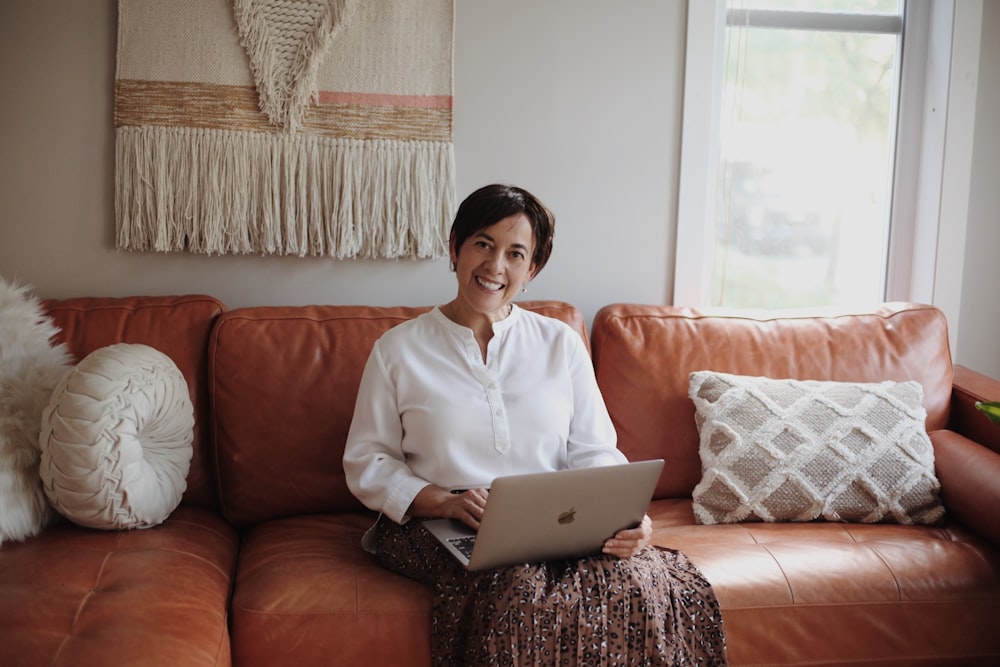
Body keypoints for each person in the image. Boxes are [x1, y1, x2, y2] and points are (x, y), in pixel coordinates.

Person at [343, 184, 727, 666]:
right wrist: (445, 500)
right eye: (482, 244)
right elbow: (368, 461)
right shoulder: (399, 349)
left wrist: (627, 519)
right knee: (520, 586)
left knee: (638, 581)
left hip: (554, 522)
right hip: (438, 522)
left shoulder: (559, 343)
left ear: (532, 269)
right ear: (455, 246)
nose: (494, 266)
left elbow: (595, 451)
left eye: (515, 253)